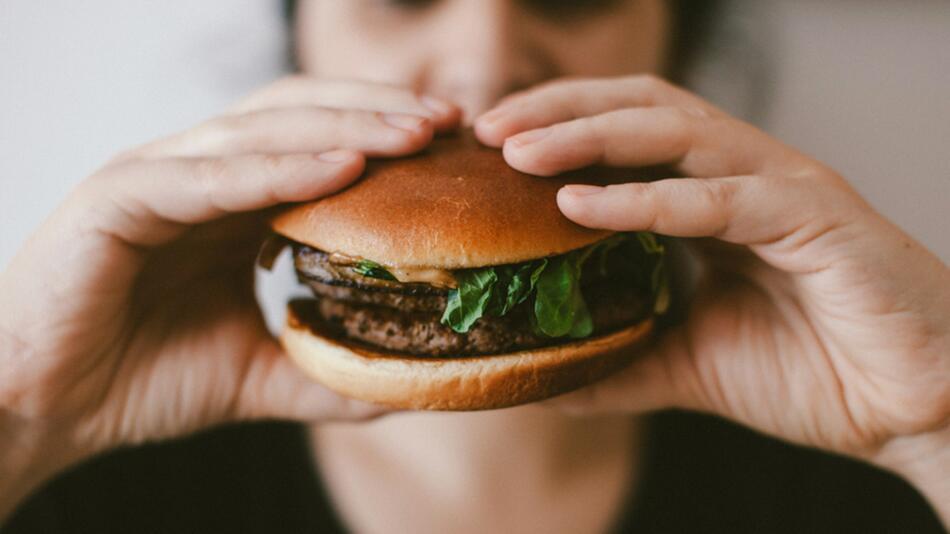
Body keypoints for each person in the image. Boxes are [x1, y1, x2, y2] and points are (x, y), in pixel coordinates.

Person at [1, 1, 947, 532]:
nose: (484, 64)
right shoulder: (95, 483)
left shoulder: (850, 477)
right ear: (300, 34)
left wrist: (933, 428)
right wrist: (22, 416)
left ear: (676, 43)